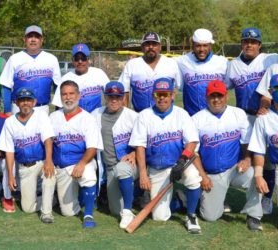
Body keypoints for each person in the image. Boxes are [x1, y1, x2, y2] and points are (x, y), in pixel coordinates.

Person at [129, 78, 203, 234]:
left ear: (172, 95)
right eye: (158, 94)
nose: (161, 98)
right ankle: (178, 199)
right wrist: (143, 174)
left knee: (193, 177)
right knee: (160, 217)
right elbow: (140, 146)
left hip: (179, 162)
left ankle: (191, 215)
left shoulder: (181, 114)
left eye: (165, 94)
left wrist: (182, 162)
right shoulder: (144, 115)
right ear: (153, 95)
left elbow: (192, 141)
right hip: (157, 167)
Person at [191, 80, 263, 231]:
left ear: (226, 96)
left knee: (255, 176)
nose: (216, 99)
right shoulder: (197, 119)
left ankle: (254, 215)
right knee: (210, 217)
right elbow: (194, 152)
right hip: (212, 174)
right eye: (212, 96)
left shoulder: (238, 113)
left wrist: (247, 159)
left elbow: (246, 141)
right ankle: (191, 196)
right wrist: (203, 176)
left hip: (235, 169)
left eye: (220, 95)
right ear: (206, 98)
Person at [226, 27, 278, 214]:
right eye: (246, 41)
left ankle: (267, 199)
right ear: (241, 43)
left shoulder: (270, 59)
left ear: (259, 45)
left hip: (266, 116)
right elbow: (224, 88)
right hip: (243, 116)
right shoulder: (233, 65)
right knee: (241, 158)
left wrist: (266, 105)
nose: (249, 44)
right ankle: (226, 192)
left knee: (268, 160)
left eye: (253, 42)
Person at [0, 87, 56, 223]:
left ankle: (47, 213)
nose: (25, 103)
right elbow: (9, 151)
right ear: (16, 103)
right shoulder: (10, 122)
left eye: (28, 100)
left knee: (49, 175)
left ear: (34, 102)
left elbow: (48, 139)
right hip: (25, 167)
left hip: (41, 162)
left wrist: (48, 160)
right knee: (27, 208)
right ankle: (52, 198)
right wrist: (11, 176)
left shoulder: (41, 116)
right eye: (22, 100)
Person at [50, 80, 103, 228]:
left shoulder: (87, 118)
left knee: (89, 175)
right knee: (68, 212)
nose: (68, 97)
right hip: (61, 166)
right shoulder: (53, 117)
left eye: (71, 93)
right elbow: (48, 143)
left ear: (78, 95)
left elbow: (92, 148)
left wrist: (81, 163)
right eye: (64, 94)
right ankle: (81, 198)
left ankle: (88, 213)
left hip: (82, 161)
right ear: (60, 97)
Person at [91, 81, 138, 229]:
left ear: (123, 97)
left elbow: (146, 141)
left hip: (130, 164)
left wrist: (135, 153)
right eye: (111, 96)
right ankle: (134, 198)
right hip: (110, 167)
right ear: (105, 97)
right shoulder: (96, 114)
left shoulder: (133, 116)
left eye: (118, 96)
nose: (114, 100)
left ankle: (129, 210)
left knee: (122, 170)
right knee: (115, 210)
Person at [0, 25, 61, 115]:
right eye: (30, 36)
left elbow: (58, 87)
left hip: (42, 109)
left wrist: (58, 110)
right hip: (18, 108)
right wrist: (7, 111)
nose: (33, 39)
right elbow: (6, 86)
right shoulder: (15, 58)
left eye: (37, 37)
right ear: (24, 39)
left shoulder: (51, 59)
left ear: (42, 40)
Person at [118, 32, 182, 112]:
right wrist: (125, 114)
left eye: (154, 44)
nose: (151, 47)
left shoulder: (171, 63)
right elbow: (124, 90)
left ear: (160, 47)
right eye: (147, 44)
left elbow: (181, 86)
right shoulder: (132, 64)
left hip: (165, 116)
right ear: (142, 47)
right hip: (140, 114)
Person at [176, 28, 228, 116]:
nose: (201, 49)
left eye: (205, 45)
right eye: (198, 45)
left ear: (210, 46)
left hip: (216, 116)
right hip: (191, 117)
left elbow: (228, 87)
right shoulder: (182, 61)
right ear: (192, 45)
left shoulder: (223, 62)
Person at [248, 75, 278, 216]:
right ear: (270, 92)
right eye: (277, 89)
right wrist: (258, 175)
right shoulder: (264, 119)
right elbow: (259, 150)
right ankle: (267, 198)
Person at [52, 43, 109, 112]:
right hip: (75, 119)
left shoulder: (99, 73)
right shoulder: (65, 78)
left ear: (88, 60)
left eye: (83, 58)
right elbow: (58, 105)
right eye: (77, 58)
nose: (80, 61)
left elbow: (111, 95)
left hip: (95, 118)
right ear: (72, 60)